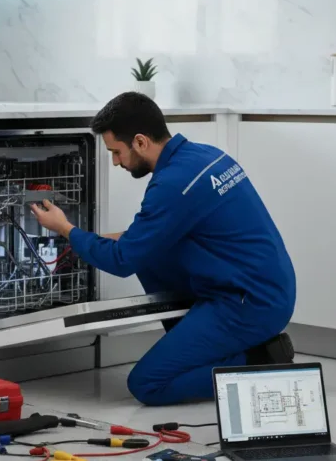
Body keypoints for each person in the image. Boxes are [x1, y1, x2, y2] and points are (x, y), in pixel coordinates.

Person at [31, 91, 296, 406]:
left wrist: (66, 229)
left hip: (249, 303)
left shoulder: (172, 185)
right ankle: (201, 346)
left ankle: (261, 361)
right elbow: (143, 238)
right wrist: (85, 240)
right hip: (267, 286)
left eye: (116, 152)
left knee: (147, 383)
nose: (115, 162)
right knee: (148, 254)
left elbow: (122, 260)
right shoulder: (203, 156)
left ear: (140, 142)